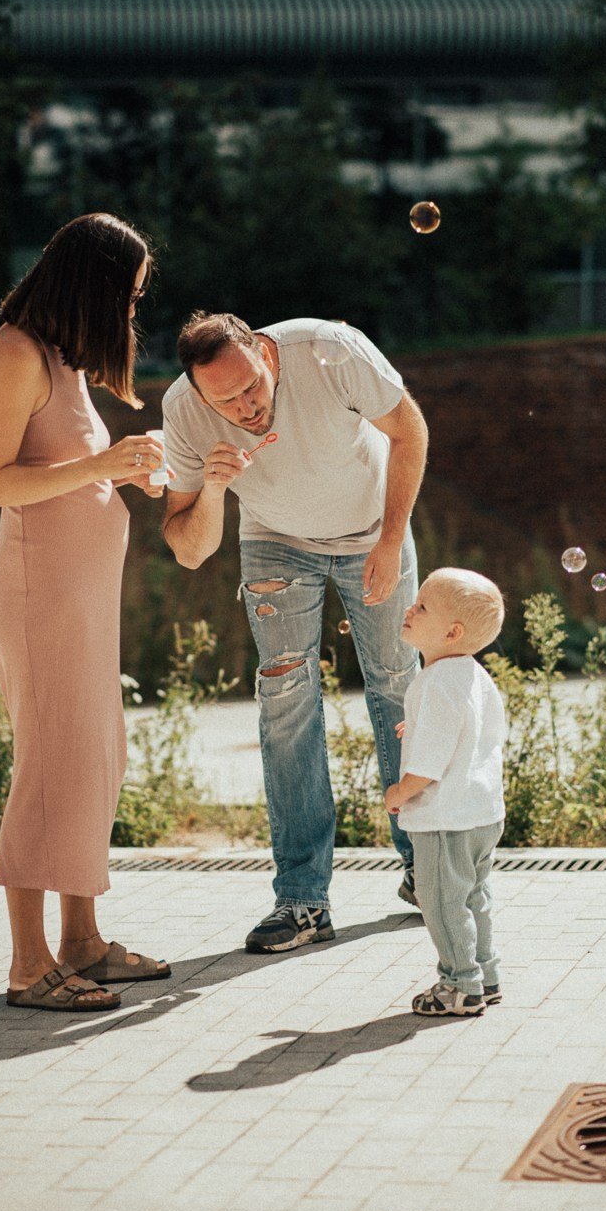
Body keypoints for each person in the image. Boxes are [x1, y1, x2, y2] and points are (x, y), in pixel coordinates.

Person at [161, 313, 428, 952]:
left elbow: (409, 429)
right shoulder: (185, 413)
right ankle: (302, 900)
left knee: (397, 687)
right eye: (223, 399)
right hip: (276, 544)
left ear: (263, 352)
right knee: (286, 703)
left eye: (251, 387)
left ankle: (426, 868)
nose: (245, 408)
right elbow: (188, 548)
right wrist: (214, 492)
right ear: (197, 392)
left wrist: (391, 539)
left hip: (372, 531)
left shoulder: (326, 350)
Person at [0, 212, 173, 1012]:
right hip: (39, 598)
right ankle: (29, 965)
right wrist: (103, 462)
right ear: (89, 282)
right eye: (125, 294)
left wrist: (126, 472)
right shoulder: (16, 355)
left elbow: (60, 475)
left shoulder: (63, 361)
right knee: (49, 770)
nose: (129, 310)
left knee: (90, 761)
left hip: (80, 601)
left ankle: (82, 940)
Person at [385, 568, 506, 1018]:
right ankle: (486, 975)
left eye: (422, 608)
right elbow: (472, 731)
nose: (410, 610)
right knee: (475, 898)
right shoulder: (471, 674)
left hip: (444, 819)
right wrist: (416, 727)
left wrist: (399, 791)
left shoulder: (435, 682)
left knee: (441, 904)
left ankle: (460, 986)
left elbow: (428, 767)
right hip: (481, 814)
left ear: (452, 631)